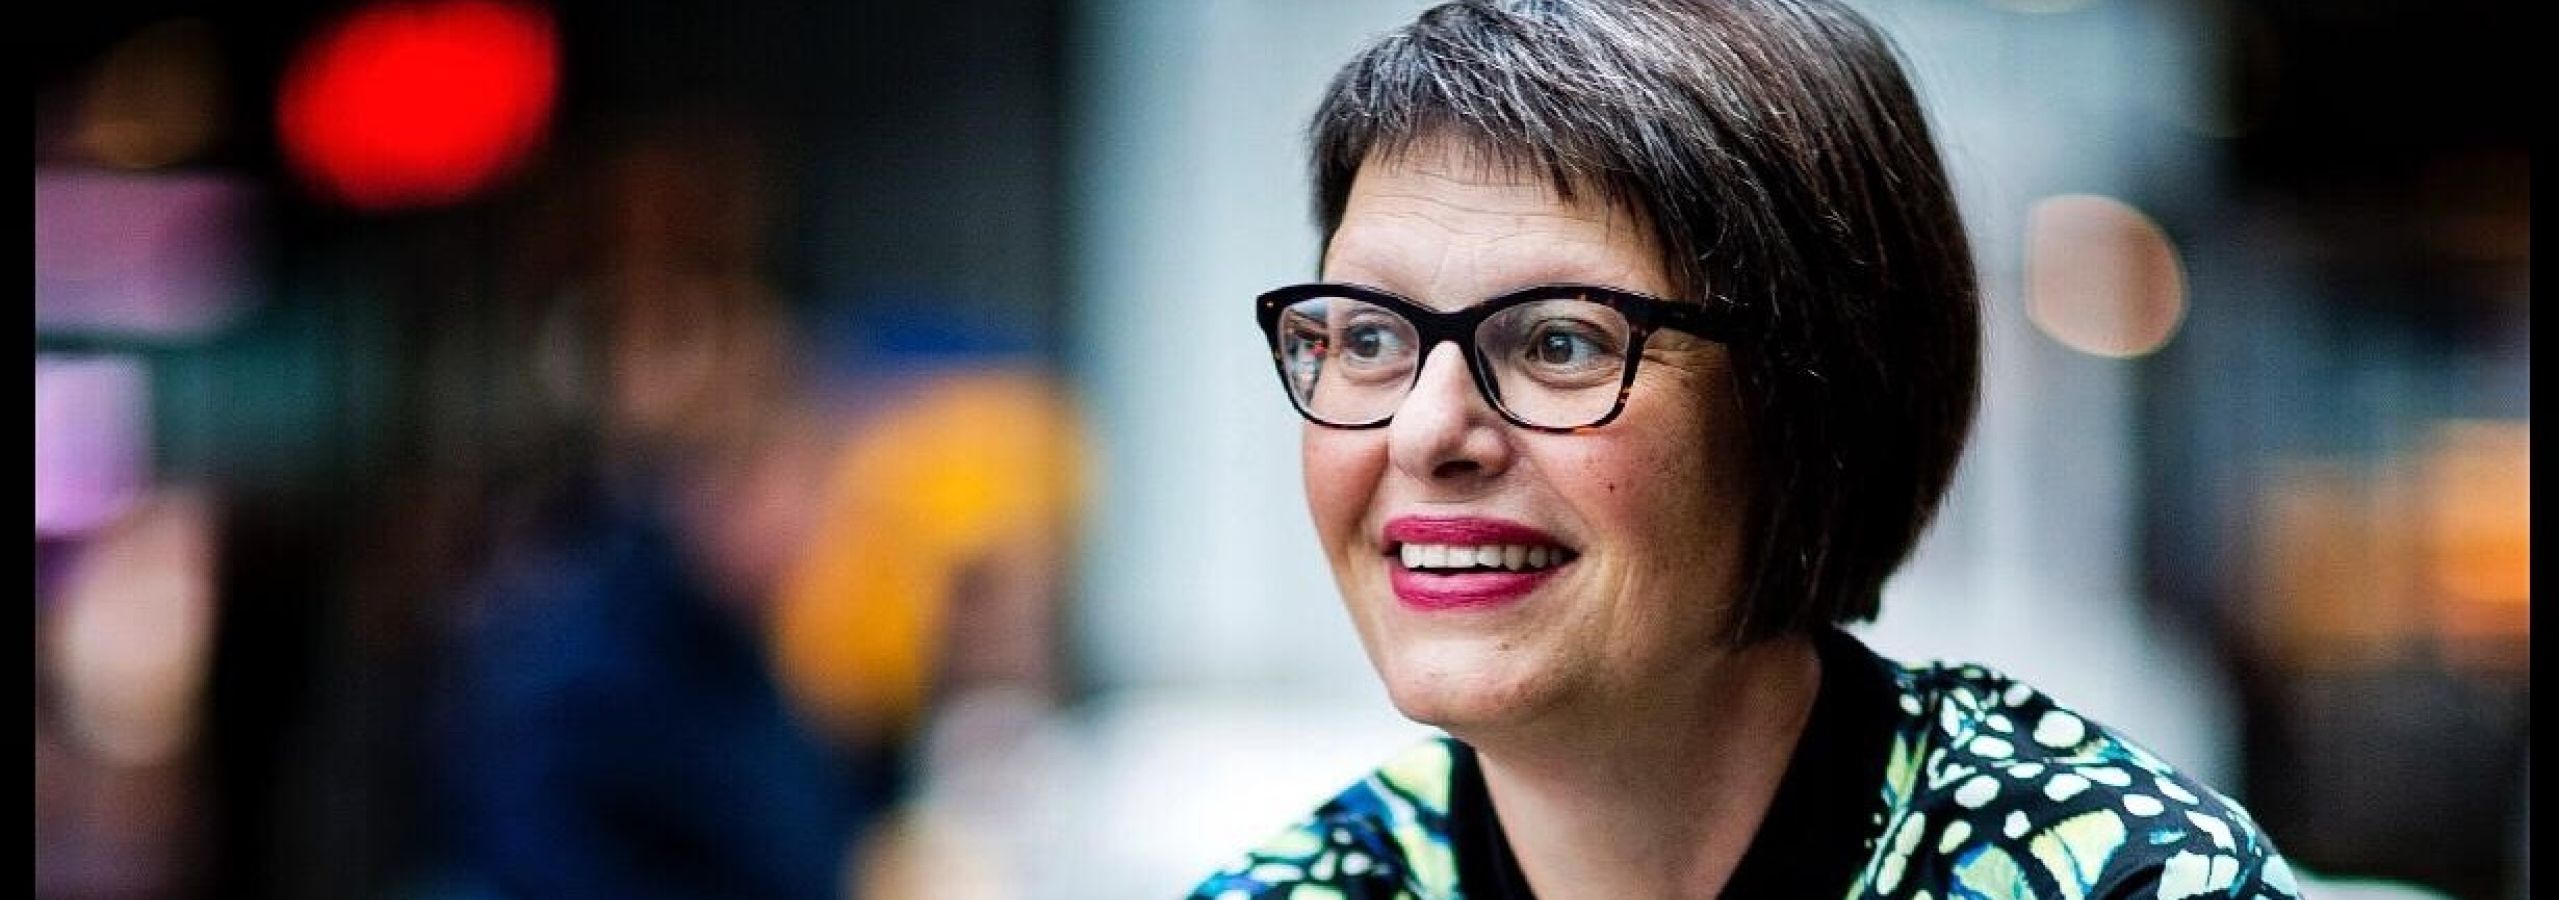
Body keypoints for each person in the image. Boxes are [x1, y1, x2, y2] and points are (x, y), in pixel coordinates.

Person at [1188, 2, 2295, 898]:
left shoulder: (2117, 881)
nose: (1427, 432)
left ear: (1812, 404)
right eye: (1369, 338)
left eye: (1562, 342)